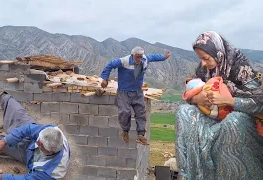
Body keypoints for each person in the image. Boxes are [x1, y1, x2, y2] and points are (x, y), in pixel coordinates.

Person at [175, 31, 263, 179]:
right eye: (200, 59)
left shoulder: (241, 69)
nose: (203, 63)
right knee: (184, 112)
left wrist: (228, 101)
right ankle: (192, 174)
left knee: (233, 122)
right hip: (214, 118)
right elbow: (193, 92)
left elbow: (259, 104)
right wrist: (198, 99)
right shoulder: (205, 70)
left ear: (219, 54)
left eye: (206, 58)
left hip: (243, 121)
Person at [100, 46, 171, 145]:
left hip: (137, 92)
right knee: (125, 112)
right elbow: (110, 65)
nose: (139, 59)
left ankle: (141, 135)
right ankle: (125, 131)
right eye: (137, 57)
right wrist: (105, 78)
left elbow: (154, 57)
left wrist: (164, 57)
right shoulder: (124, 61)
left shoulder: (145, 59)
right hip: (124, 92)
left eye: (141, 56)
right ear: (132, 55)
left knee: (141, 112)